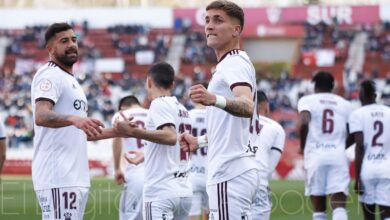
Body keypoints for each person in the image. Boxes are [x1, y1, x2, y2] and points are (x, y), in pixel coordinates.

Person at [31, 22, 122, 220]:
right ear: (50, 48)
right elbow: (41, 115)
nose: (72, 44)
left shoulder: (72, 81)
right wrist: (74, 119)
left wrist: (119, 131)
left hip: (75, 176)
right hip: (57, 175)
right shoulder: (50, 75)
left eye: (74, 40)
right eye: (64, 41)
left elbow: (81, 133)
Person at [179, 1, 259, 219]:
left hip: (229, 171)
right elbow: (229, 129)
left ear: (236, 30)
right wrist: (200, 142)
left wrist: (213, 99)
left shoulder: (233, 62)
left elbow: (247, 105)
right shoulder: (230, 63)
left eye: (218, 20)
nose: (209, 26)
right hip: (235, 170)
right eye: (207, 20)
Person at [114, 62, 193, 220]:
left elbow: (169, 137)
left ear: (149, 81)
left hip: (161, 191)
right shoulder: (183, 110)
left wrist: (133, 131)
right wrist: (145, 154)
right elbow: (176, 143)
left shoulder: (158, 103)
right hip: (184, 191)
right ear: (172, 84)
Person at [297, 71, 352, 220]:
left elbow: (304, 121)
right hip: (338, 156)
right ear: (333, 86)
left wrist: (302, 146)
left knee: (319, 209)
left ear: (315, 86)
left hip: (315, 156)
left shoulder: (307, 100)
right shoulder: (346, 104)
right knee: (339, 207)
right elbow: (353, 133)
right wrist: (343, 146)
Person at [349, 80, 390, 220]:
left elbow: (359, 145)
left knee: (369, 216)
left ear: (361, 96)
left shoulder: (357, 114)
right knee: (387, 214)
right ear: (375, 95)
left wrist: (357, 178)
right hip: (387, 169)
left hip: (367, 170)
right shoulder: (388, 112)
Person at [111, 95, 148, 220]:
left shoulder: (121, 115)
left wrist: (117, 168)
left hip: (135, 176)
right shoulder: (152, 114)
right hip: (156, 176)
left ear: (122, 107)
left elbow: (117, 141)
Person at [251, 91, 285, 220]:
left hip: (233, 182)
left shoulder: (236, 121)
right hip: (258, 183)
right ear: (266, 106)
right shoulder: (276, 128)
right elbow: (269, 168)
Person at [188, 82, 209, 220]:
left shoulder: (187, 115)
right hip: (211, 173)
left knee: (192, 216)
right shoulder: (215, 116)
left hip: (192, 174)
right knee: (212, 215)